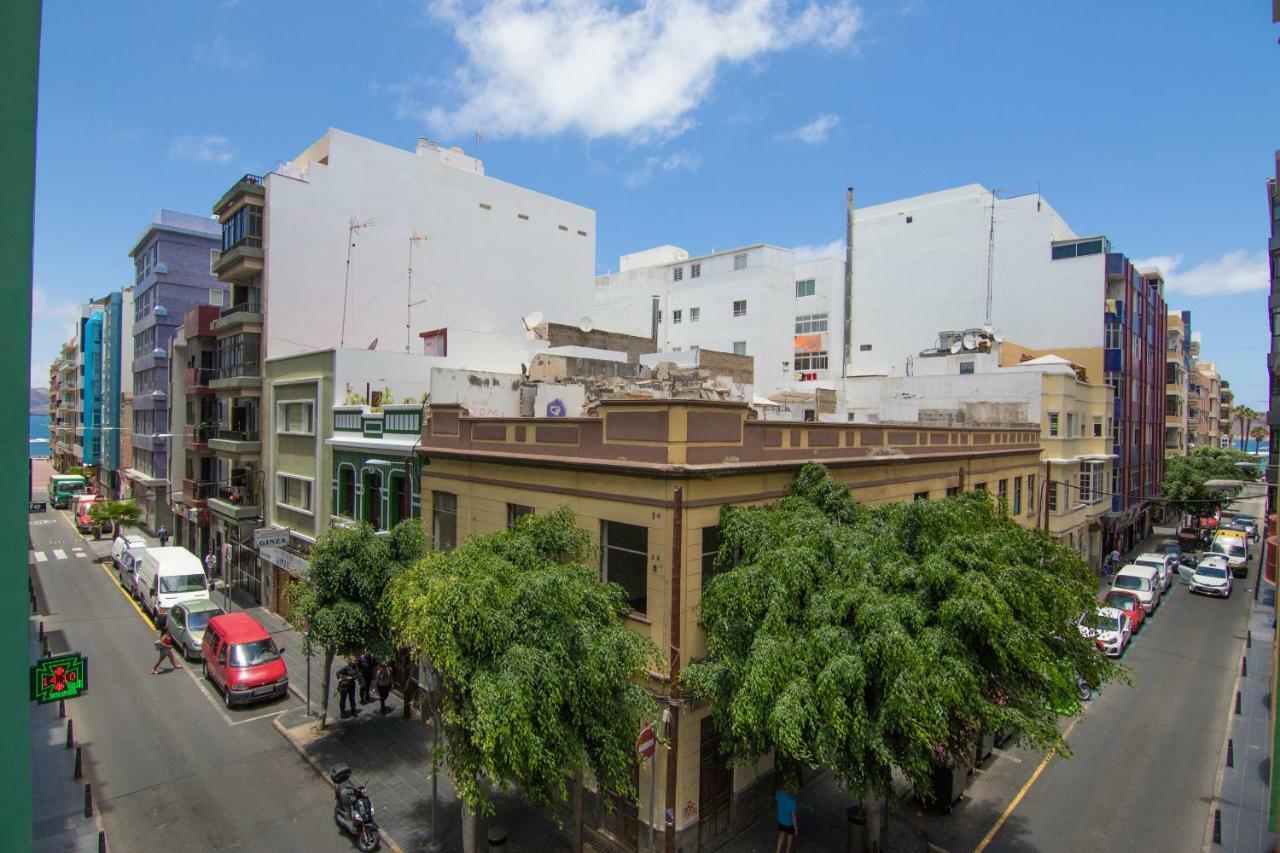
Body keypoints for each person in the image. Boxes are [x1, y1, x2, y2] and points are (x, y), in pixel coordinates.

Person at [775, 783, 798, 853]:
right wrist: (795, 827)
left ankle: (777, 851)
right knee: (789, 839)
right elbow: (793, 816)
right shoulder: (791, 801)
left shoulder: (778, 793)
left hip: (780, 820)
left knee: (781, 836)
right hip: (789, 824)